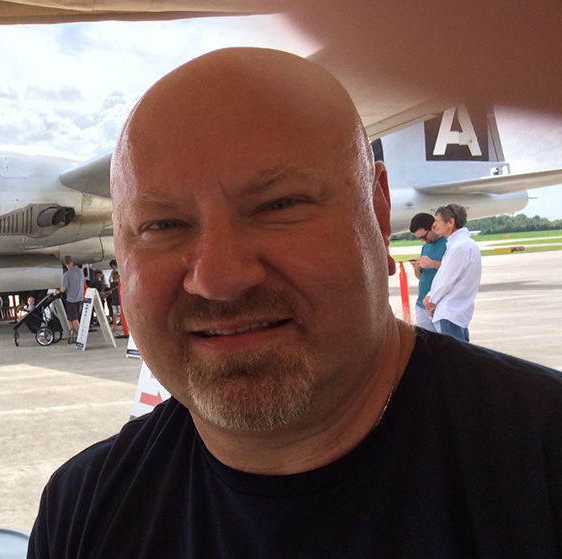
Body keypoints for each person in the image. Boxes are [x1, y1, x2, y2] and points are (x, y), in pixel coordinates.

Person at [29, 48, 562, 557]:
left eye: (279, 205)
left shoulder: (542, 466)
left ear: (377, 214)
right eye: (161, 225)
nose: (218, 278)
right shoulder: (80, 513)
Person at [422, 204, 482, 342]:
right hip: (460, 313)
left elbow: (446, 279)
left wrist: (431, 300)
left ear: (451, 222)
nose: (433, 225)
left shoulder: (458, 247)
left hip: (450, 314)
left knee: (453, 361)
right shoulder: (467, 244)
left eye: (437, 221)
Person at [408, 212, 446, 332]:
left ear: (433, 227)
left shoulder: (448, 244)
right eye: (419, 239)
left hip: (441, 305)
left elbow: (455, 270)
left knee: (446, 345)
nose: (423, 241)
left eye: (424, 237)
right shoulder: (426, 247)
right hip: (422, 304)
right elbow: (421, 277)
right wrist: (417, 268)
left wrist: (433, 264)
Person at [59, 255, 85, 343]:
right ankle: (72, 334)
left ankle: (80, 337)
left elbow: (63, 289)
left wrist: (58, 290)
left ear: (65, 264)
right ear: (72, 262)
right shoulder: (80, 271)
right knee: (71, 318)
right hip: (80, 298)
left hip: (71, 299)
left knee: (74, 319)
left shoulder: (66, 275)